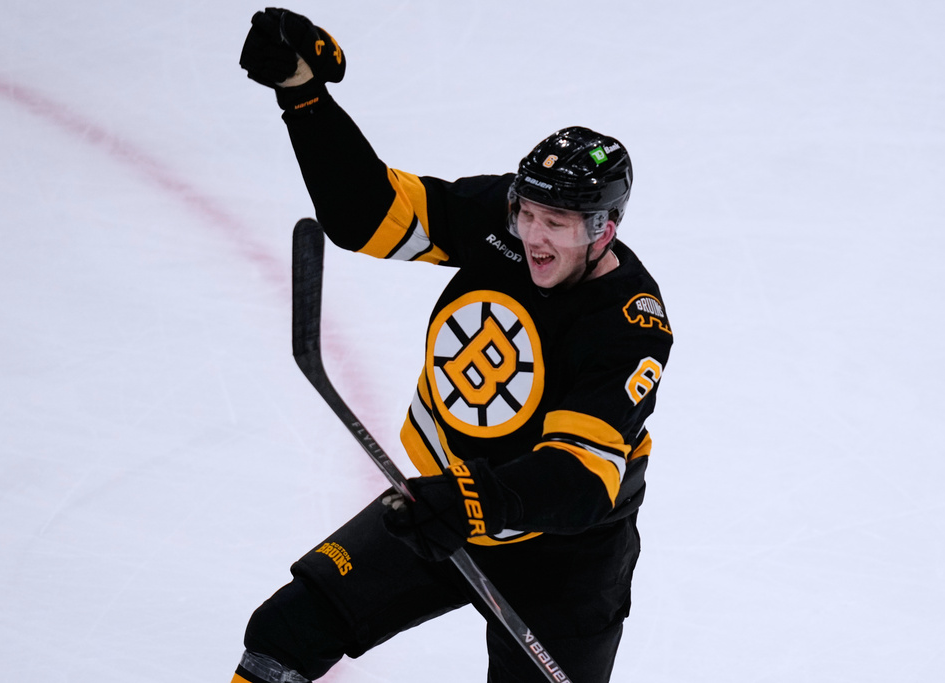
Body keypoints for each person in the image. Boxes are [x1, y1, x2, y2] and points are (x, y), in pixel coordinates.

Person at [232, 9, 673, 683]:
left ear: (604, 231)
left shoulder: (627, 321)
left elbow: (580, 477)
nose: (532, 234)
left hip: (561, 560)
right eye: (528, 211)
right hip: (439, 510)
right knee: (285, 631)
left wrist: (468, 500)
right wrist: (303, 95)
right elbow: (368, 213)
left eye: (556, 222)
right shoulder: (500, 220)